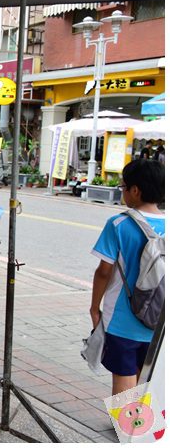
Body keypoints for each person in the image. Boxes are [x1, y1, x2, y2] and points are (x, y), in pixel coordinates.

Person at [89, 158, 164, 396]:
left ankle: (127, 429)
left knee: (124, 372)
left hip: (123, 319)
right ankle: (146, 427)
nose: (122, 192)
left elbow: (104, 271)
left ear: (135, 190)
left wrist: (94, 307)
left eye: (123, 187)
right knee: (150, 372)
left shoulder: (118, 224)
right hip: (160, 319)